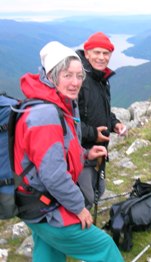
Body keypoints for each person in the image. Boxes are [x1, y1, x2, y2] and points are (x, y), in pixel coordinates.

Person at [14, 41, 124, 261]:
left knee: (48, 254)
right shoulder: (45, 115)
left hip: (32, 202)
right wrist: (78, 208)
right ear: (51, 75)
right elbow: (53, 175)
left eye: (79, 75)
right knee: (105, 248)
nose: (75, 83)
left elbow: (54, 154)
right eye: (67, 75)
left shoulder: (56, 102)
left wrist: (85, 155)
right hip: (45, 205)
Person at [76, 32, 126, 209]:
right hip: (81, 152)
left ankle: (86, 231)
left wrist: (114, 123)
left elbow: (101, 110)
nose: (101, 57)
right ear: (87, 52)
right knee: (84, 198)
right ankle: (79, 235)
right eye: (96, 52)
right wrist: (92, 134)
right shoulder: (78, 78)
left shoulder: (101, 78)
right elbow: (67, 121)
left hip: (99, 150)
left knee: (98, 189)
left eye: (106, 53)